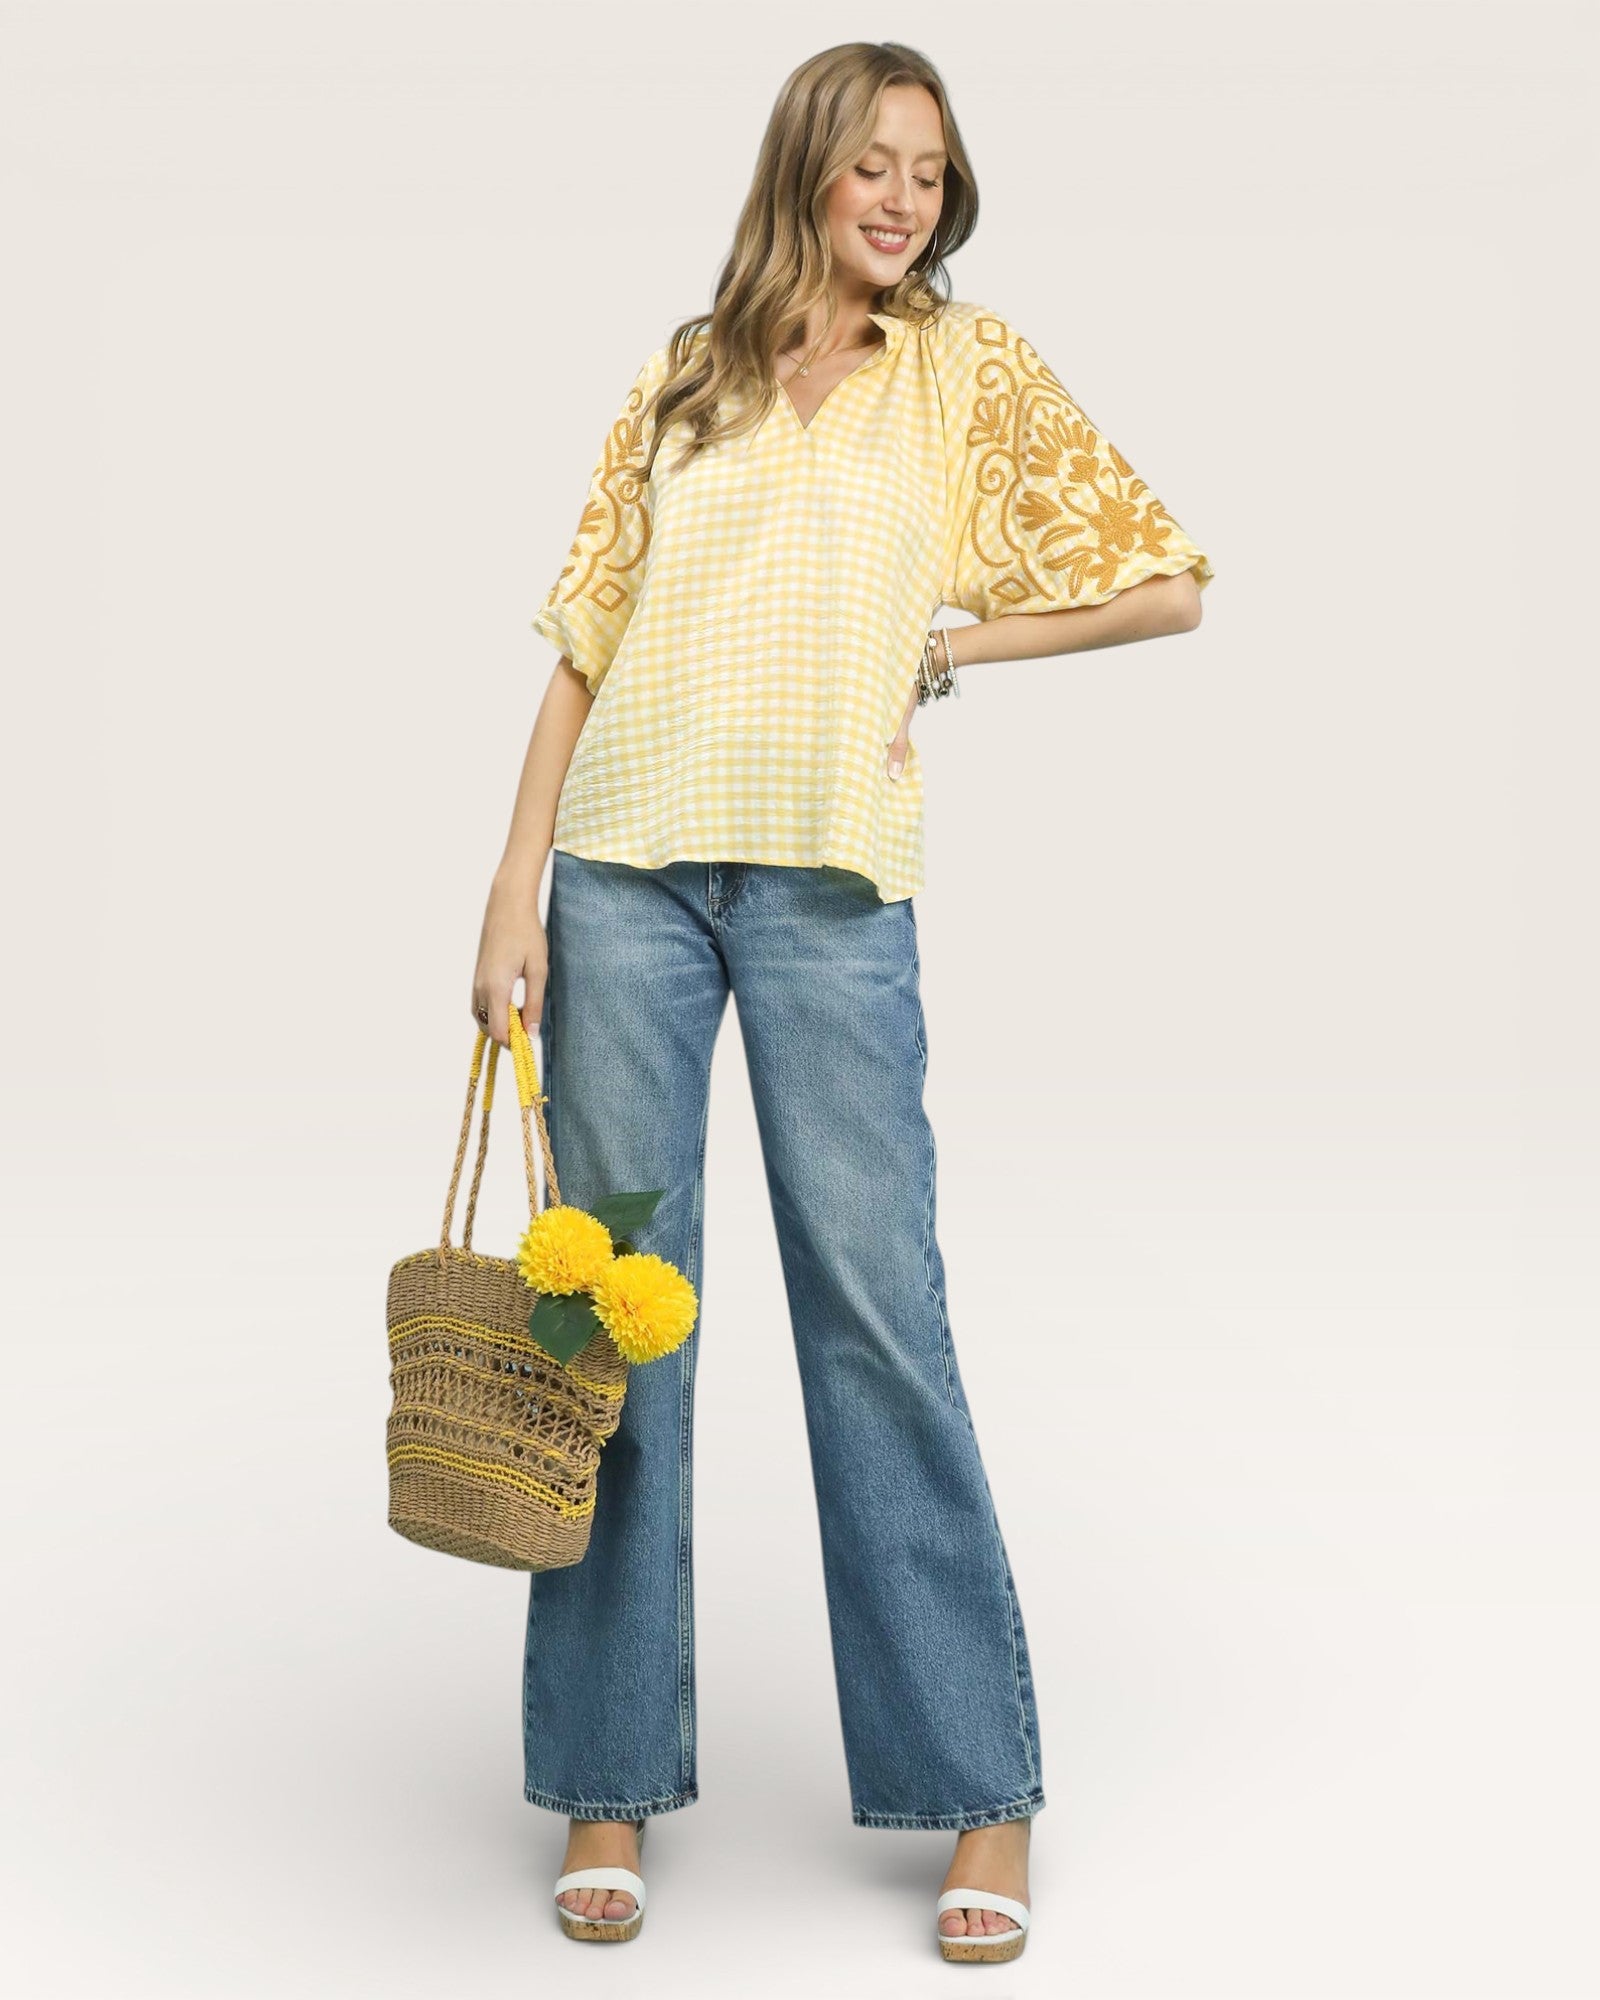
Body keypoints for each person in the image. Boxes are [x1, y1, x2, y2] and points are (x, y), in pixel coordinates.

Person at [470, 40, 1212, 1963]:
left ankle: (979, 1792)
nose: (906, 198)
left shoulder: (962, 372)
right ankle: (607, 1776)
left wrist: (953, 645)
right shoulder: (689, 368)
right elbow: (583, 633)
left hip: (828, 893)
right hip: (622, 875)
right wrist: (511, 886)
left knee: (881, 1318)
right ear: (807, 161)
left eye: (932, 173)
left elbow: (1165, 583)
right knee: (610, 1324)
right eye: (875, 162)